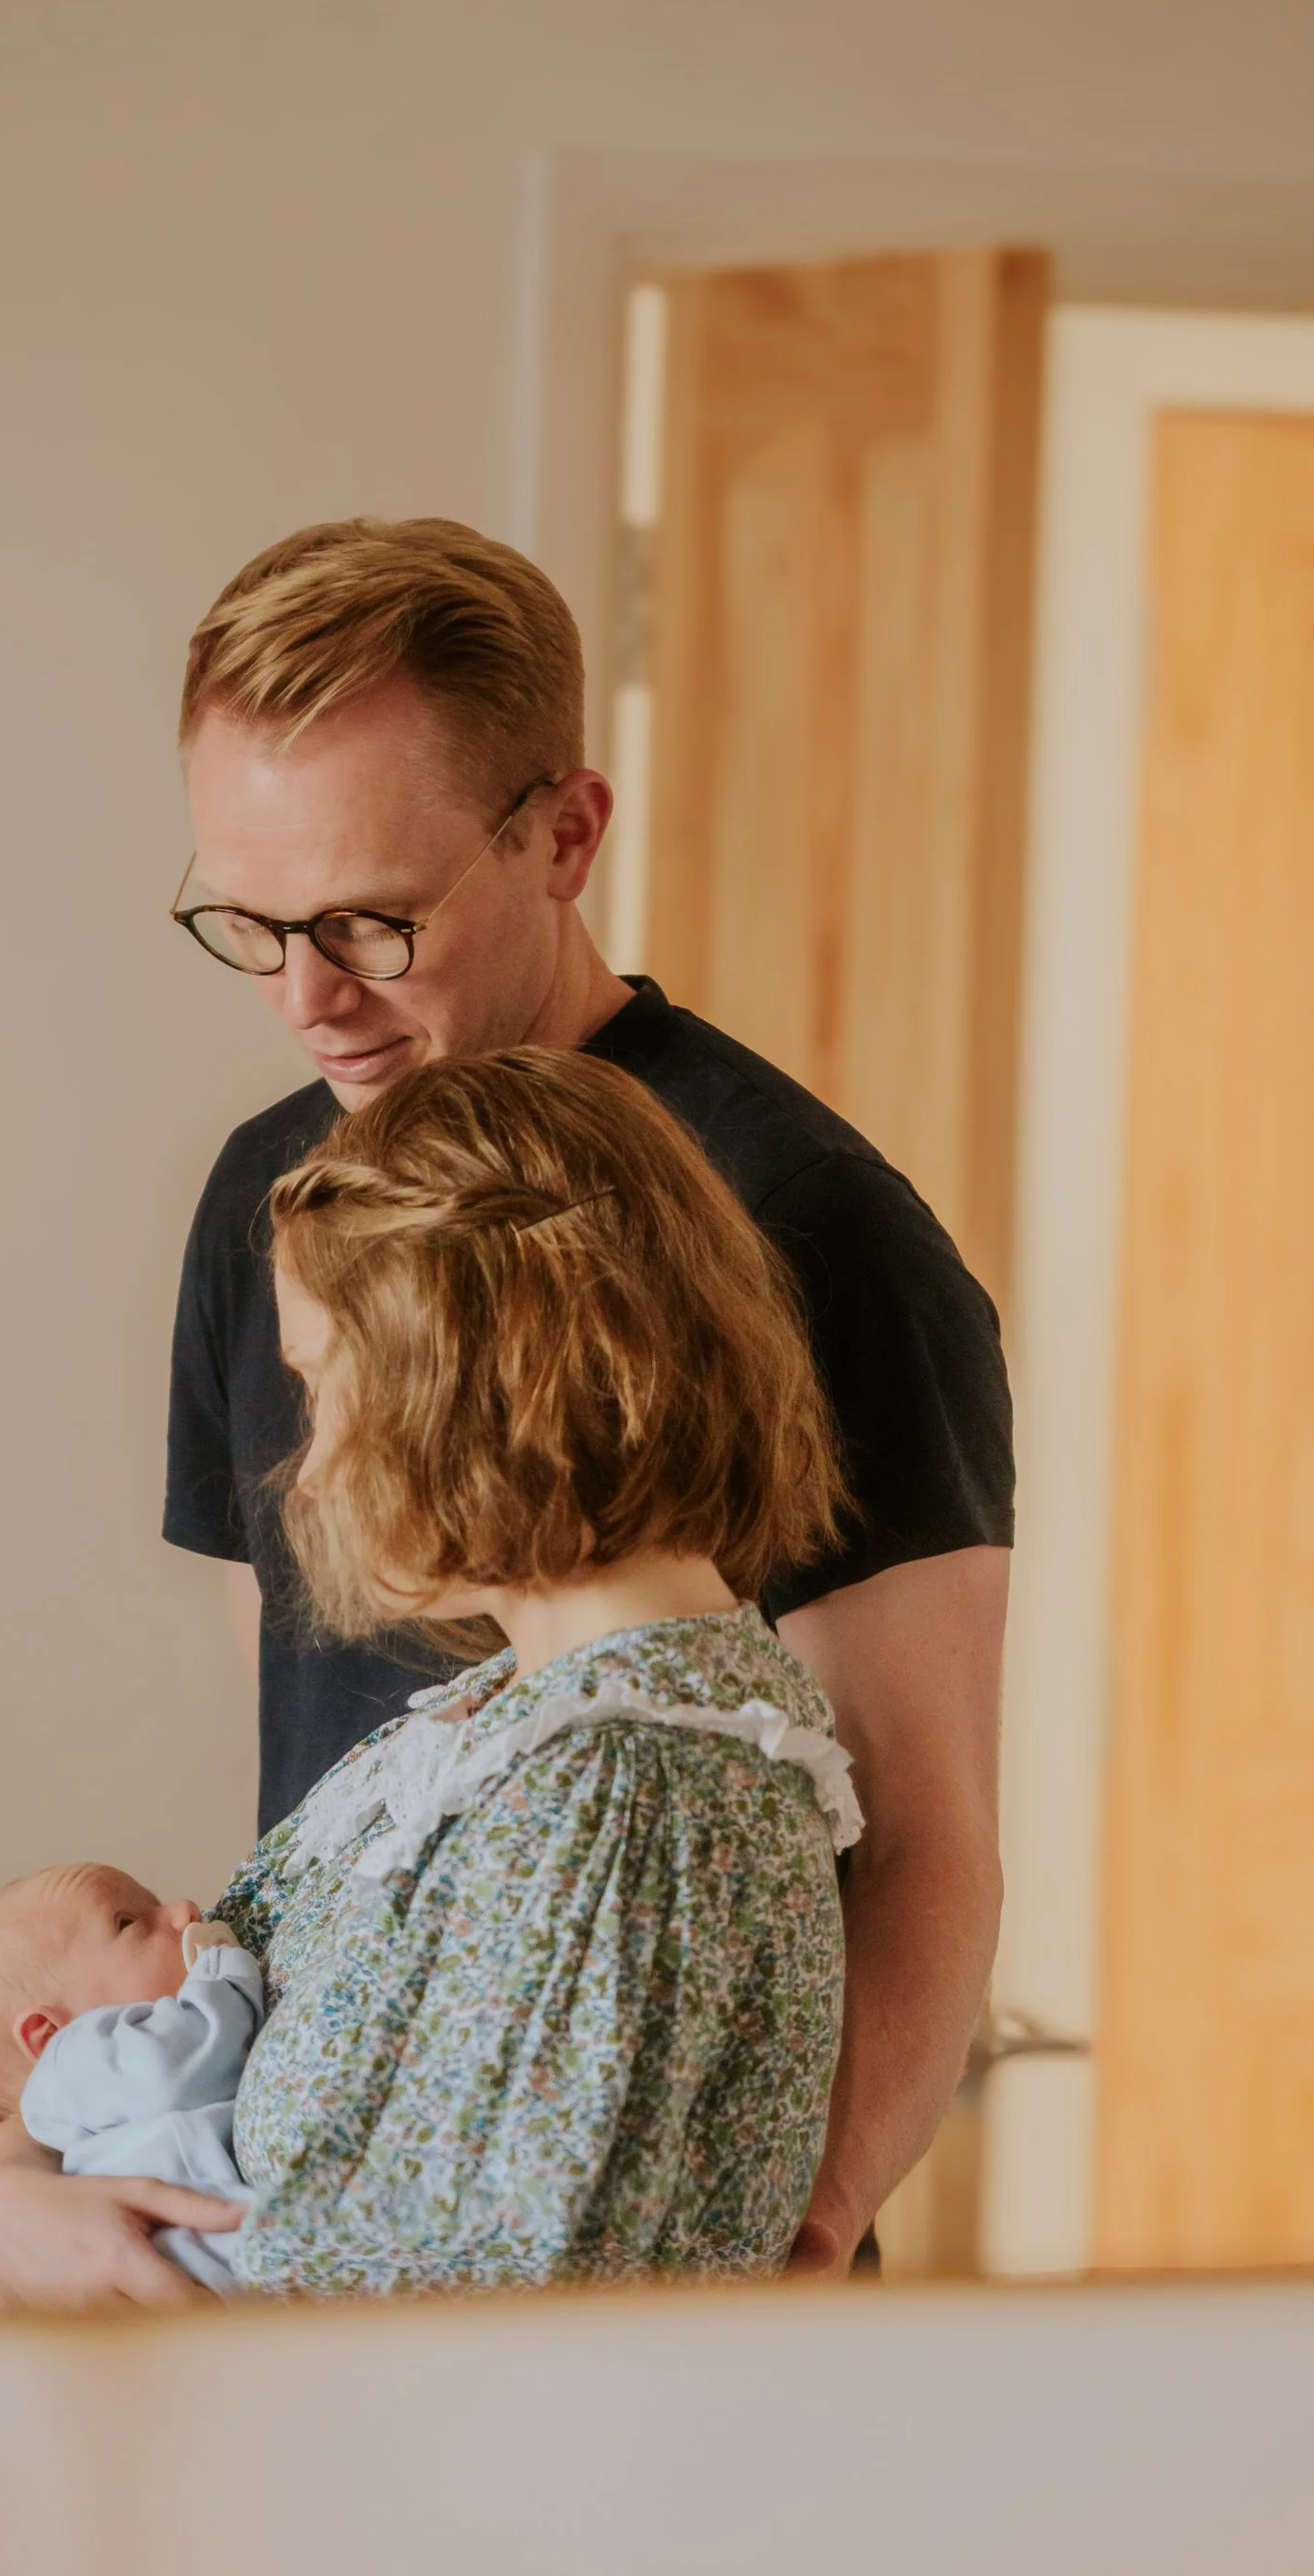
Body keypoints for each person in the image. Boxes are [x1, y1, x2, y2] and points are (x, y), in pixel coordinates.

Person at [157, 517, 1012, 2279]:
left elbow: (926, 1842)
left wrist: (791, 2233)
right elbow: (309, 1800)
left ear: (564, 832)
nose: (308, 997)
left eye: (370, 922)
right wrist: (93, 2171)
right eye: (247, 922)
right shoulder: (275, 1209)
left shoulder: (802, 1226)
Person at [0, 1049, 855, 2305]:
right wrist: (15, 2184)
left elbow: (454, 2360)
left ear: (485, 1371)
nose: (312, 1469)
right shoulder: (506, 1725)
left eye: (326, 1389)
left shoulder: (625, 1797)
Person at [0, 1867, 257, 2292]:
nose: (184, 1911)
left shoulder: (70, 2122)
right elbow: (179, 2062)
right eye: (128, 1922)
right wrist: (227, 1975)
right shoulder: (74, 2059)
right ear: (49, 2036)